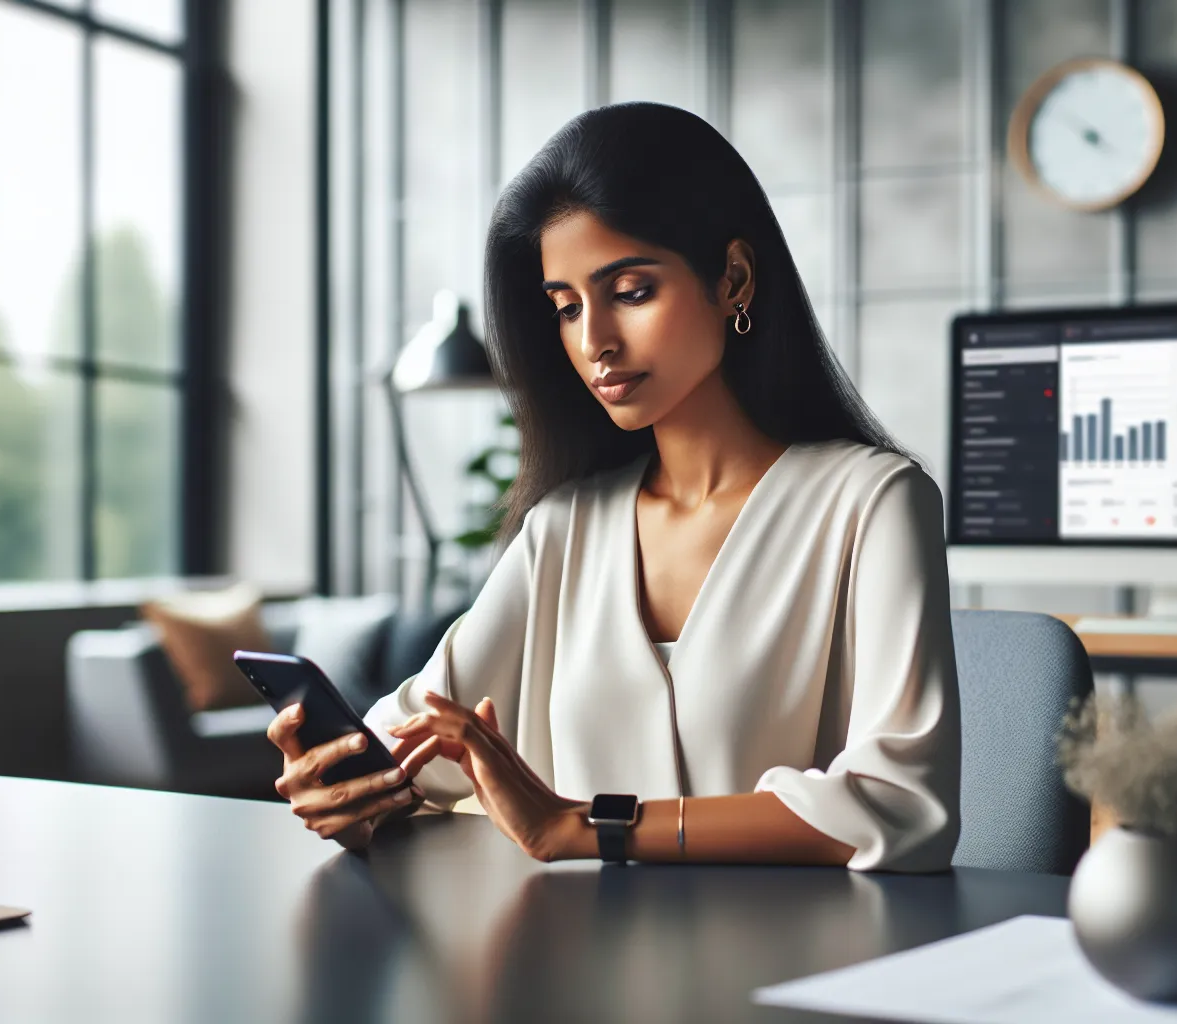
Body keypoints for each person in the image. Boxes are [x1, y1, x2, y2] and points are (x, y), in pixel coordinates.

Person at [267, 102, 960, 872]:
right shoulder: (565, 528)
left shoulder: (872, 504)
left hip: (791, 961)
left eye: (629, 291)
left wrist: (583, 827)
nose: (593, 341)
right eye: (566, 307)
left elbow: (903, 804)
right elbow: (417, 742)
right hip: (574, 964)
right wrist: (347, 789)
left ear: (732, 278)